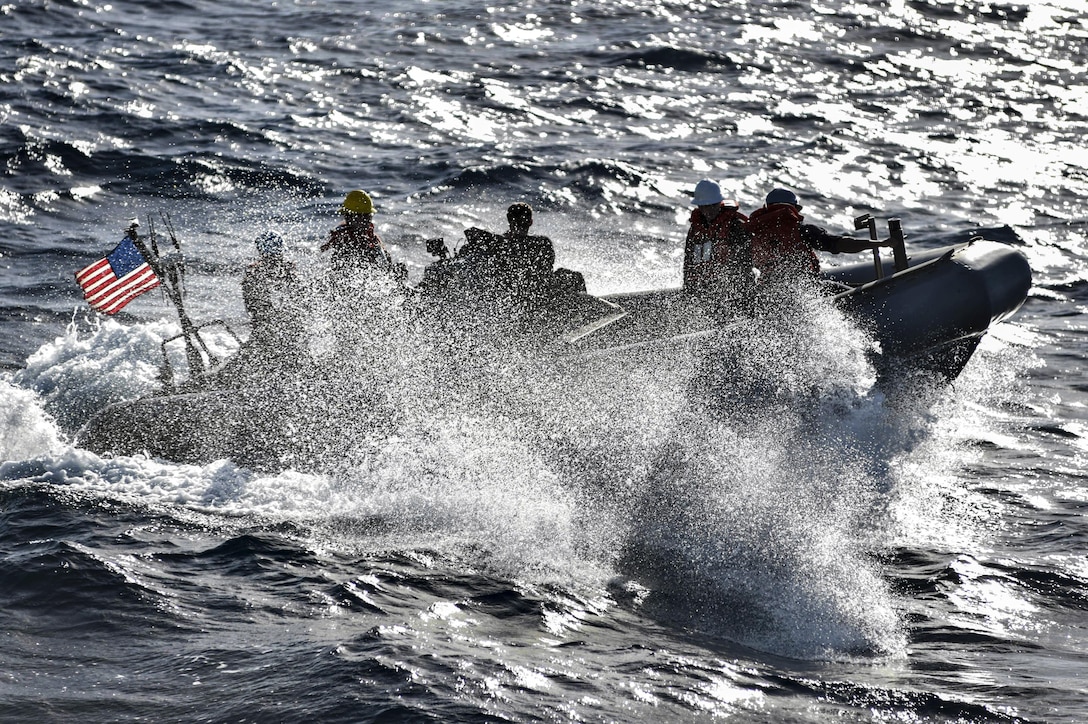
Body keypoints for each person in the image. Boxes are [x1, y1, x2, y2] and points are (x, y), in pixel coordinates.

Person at [745, 187, 885, 284]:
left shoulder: (751, 234)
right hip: (802, 290)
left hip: (767, 293)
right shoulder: (803, 231)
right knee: (836, 288)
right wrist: (879, 244)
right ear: (794, 208)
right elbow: (838, 244)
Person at [241, 231, 305, 366]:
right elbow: (302, 299)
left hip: (267, 330)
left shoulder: (253, 272)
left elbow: (252, 307)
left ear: (260, 250)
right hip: (288, 330)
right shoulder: (289, 269)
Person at [682, 179, 753, 296]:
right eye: (704, 206)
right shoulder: (695, 229)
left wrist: (737, 289)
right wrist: (688, 288)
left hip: (733, 288)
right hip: (703, 287)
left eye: (712, 205)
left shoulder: (736, 225)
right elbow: (688, 261)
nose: (708, 210)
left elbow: (746, 261)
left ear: (720, 203)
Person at [320, 190, 393, 271]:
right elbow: (324, 252)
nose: (367, 220)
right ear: (349, 217)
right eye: (364, 217)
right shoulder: (341, 235)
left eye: (368, 216)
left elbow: (386, 258)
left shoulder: (372, 237)